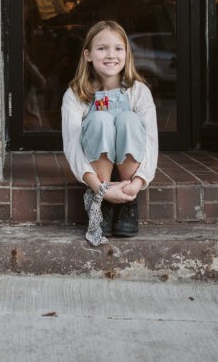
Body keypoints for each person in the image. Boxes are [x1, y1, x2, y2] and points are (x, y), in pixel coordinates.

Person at [61, 20, 159, 245]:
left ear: (127, 53)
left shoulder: (139, 92)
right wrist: (99, 188)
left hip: (130, 177)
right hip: (98, 177)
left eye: (118, 48)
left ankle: (127, 204)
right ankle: (102, 202)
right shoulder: (75, 95)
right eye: (102, 48)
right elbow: (73, 146)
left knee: (127, 119)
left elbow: (151, 141)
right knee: (100, 120)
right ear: (88, 55)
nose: (110, 55)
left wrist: (136, 185)